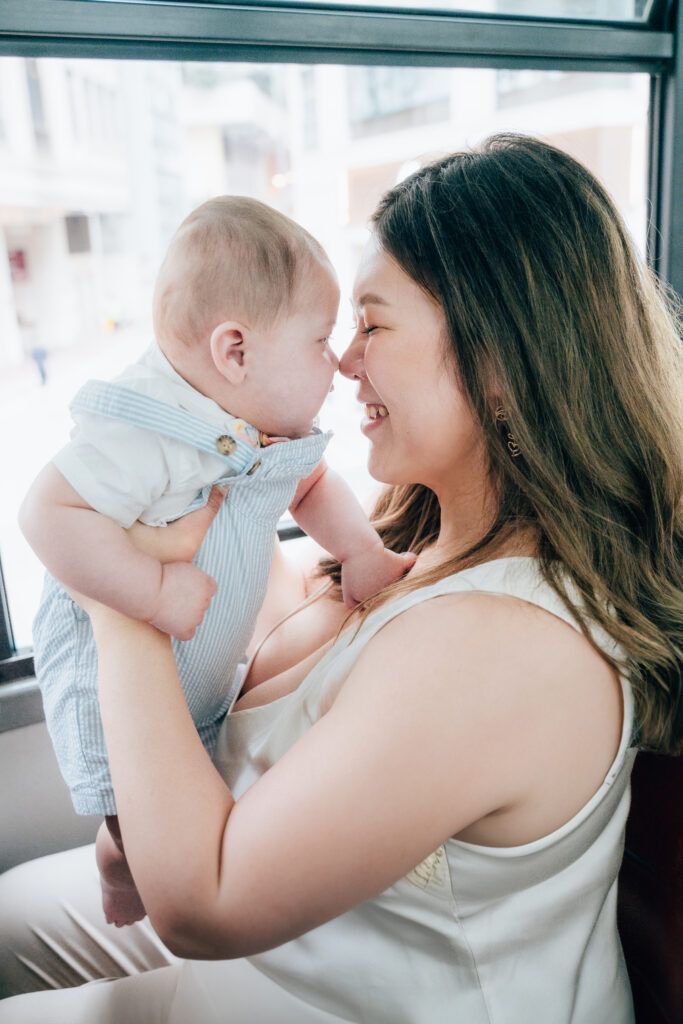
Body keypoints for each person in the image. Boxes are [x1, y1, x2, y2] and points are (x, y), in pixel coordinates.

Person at [0, 133, 681, 1024]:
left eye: (372, 324)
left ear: (499, 365)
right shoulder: (419, 534)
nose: (344, 360)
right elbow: (263, 617)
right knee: (9, 913)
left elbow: (202, 906)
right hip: (293, 955)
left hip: (289, 969)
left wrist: (113, 584)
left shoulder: (504, 648)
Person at [17, 196, 414, 928]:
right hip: (116, 689)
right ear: (235, 352)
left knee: (192, 788)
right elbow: (47, 514)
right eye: (321, 341)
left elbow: (312, 484)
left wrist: (361, 552)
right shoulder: (143, 429)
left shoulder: (262, 428)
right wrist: (150, 587)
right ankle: (115, 856)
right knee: (140, 824)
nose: (339, 365)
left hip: (199, 670)